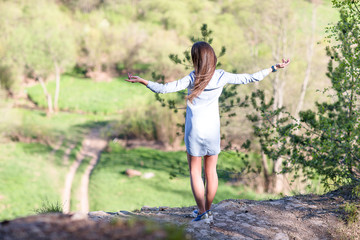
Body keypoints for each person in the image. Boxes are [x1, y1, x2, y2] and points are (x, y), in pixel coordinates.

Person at [125, 41, 290, 222]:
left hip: (194, 131)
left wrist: (143, 81)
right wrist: (274, 67)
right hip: (213, 131)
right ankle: (208, 211)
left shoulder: (191, 78)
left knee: (195, 172)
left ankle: (202, 212)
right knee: (211, 172)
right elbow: (250, 78)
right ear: (212, 58)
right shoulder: (221, 76)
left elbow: (164, 89)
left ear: (196, 59)